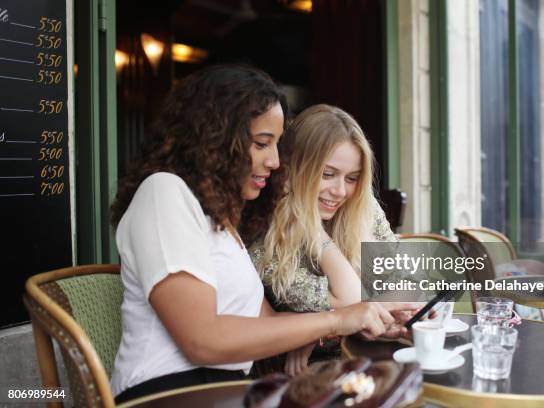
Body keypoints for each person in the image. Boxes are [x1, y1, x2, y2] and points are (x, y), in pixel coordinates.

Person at [109, 66, 412, 403]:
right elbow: (202, 340)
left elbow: (266, 320)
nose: (275, 161)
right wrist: (336, 321)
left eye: (277, 145)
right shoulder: (164, 192)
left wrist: (348, 324)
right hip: (168, 392)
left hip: (228, 390)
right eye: (262, 143)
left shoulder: (221, 224)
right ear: (216, 138)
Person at [249, 104, 402, 376]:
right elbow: (354, 298)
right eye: (327, 174)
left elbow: (404, 286)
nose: (340, 191)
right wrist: (317, 233)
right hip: (307, 376)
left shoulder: (361, 206)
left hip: (369, 356)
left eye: (352, 178)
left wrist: (318, 332)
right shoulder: (266, 232)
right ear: (295, 168)